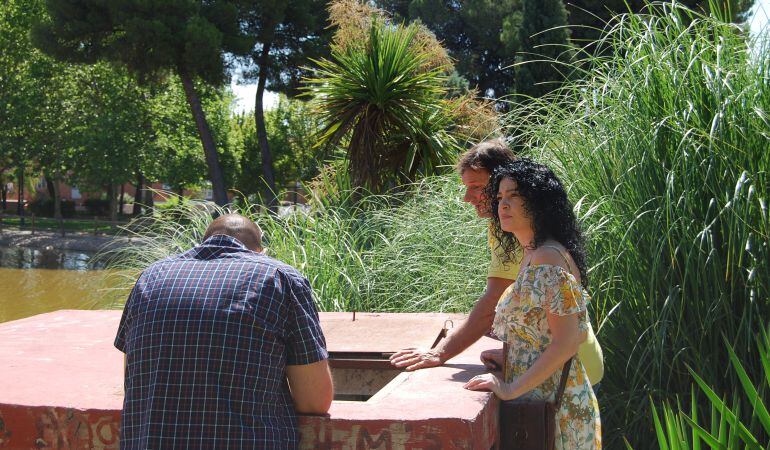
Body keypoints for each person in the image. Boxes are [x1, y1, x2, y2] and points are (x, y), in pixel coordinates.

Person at [389, 139, 604, 387]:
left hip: (570, 376)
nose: (466, 198)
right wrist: (515, 354)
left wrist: (441, 353)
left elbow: (493, 303)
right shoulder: (510, 232)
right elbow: (532, 314)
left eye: (476, 187)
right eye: (500, 195)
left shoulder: (540, 247)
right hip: (565, 367)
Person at [114, 213, 333, 450]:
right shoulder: (280, 278)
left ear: (201, 243)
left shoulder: (151, 277)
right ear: (261, 251)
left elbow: (132, 379)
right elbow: (314, 402)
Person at [463, 159, 601, 448]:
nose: (503, 204)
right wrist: (512, 356)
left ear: (539, 202)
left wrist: (510, 388)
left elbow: (567, 342)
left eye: (514, 196)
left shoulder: (548, 258)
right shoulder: (533, 253)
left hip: (554, 406)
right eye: (500, 197)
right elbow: (544, 332)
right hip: (540, 398)